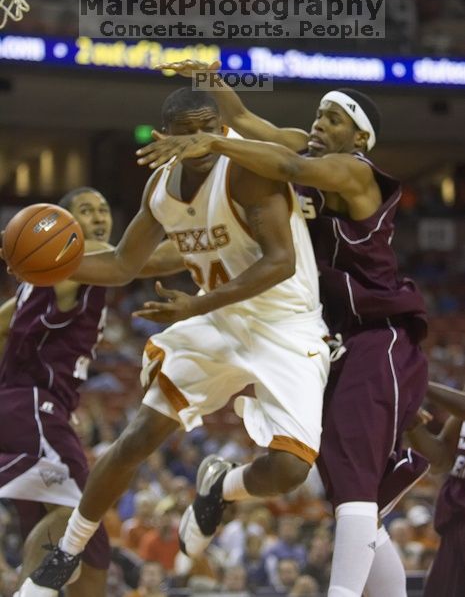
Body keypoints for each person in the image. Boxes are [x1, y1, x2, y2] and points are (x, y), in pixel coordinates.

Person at [18, 87, 330, 596]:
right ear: (168, 136)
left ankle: (220, 486)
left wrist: (196, 304)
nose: (205, 139)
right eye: (192, 132)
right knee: (139, 436)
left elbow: (281, 263)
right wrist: (50, 266)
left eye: (212, 127)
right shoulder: (161, 188)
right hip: (220, 319)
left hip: (285, 324)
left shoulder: (248, 169)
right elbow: (123, 264)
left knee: (290, 471)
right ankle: (67, 550)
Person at [137, 60, 430, 597]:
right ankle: (223, 488)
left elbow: (285, 168)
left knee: (354, 485)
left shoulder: (353, 170)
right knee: (341, 482)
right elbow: (250, 121)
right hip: (326, 332)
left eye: (336, 119)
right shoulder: (299, 145)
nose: (321, 124)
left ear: (360, 136)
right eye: (320, 113)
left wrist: (211, 143)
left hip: (375, 330)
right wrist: (214, 84)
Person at [0, 188, 181, 597]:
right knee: (79, 514)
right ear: (64, 224)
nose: (99, 216)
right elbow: (155, 260)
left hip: (36, 409)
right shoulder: (77, 255)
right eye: (86, 210)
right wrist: (223, 237)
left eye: (103, 208)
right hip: (33, 406)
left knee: (91, 547)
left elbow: (2, 324)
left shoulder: (43, 273)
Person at [407, 382, 465, 597]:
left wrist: (418, 380)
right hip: (455, 528)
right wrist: (412, 426)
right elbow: (441, 460)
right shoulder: (460, 414)